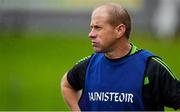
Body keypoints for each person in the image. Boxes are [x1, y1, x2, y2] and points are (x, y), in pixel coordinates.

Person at [61, 3, 180, 111]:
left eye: (98, 28)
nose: (91, 34)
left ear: (119, 30)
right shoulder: (89, 66)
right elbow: (67, 85)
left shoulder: (151, 67)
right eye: (91, 28)